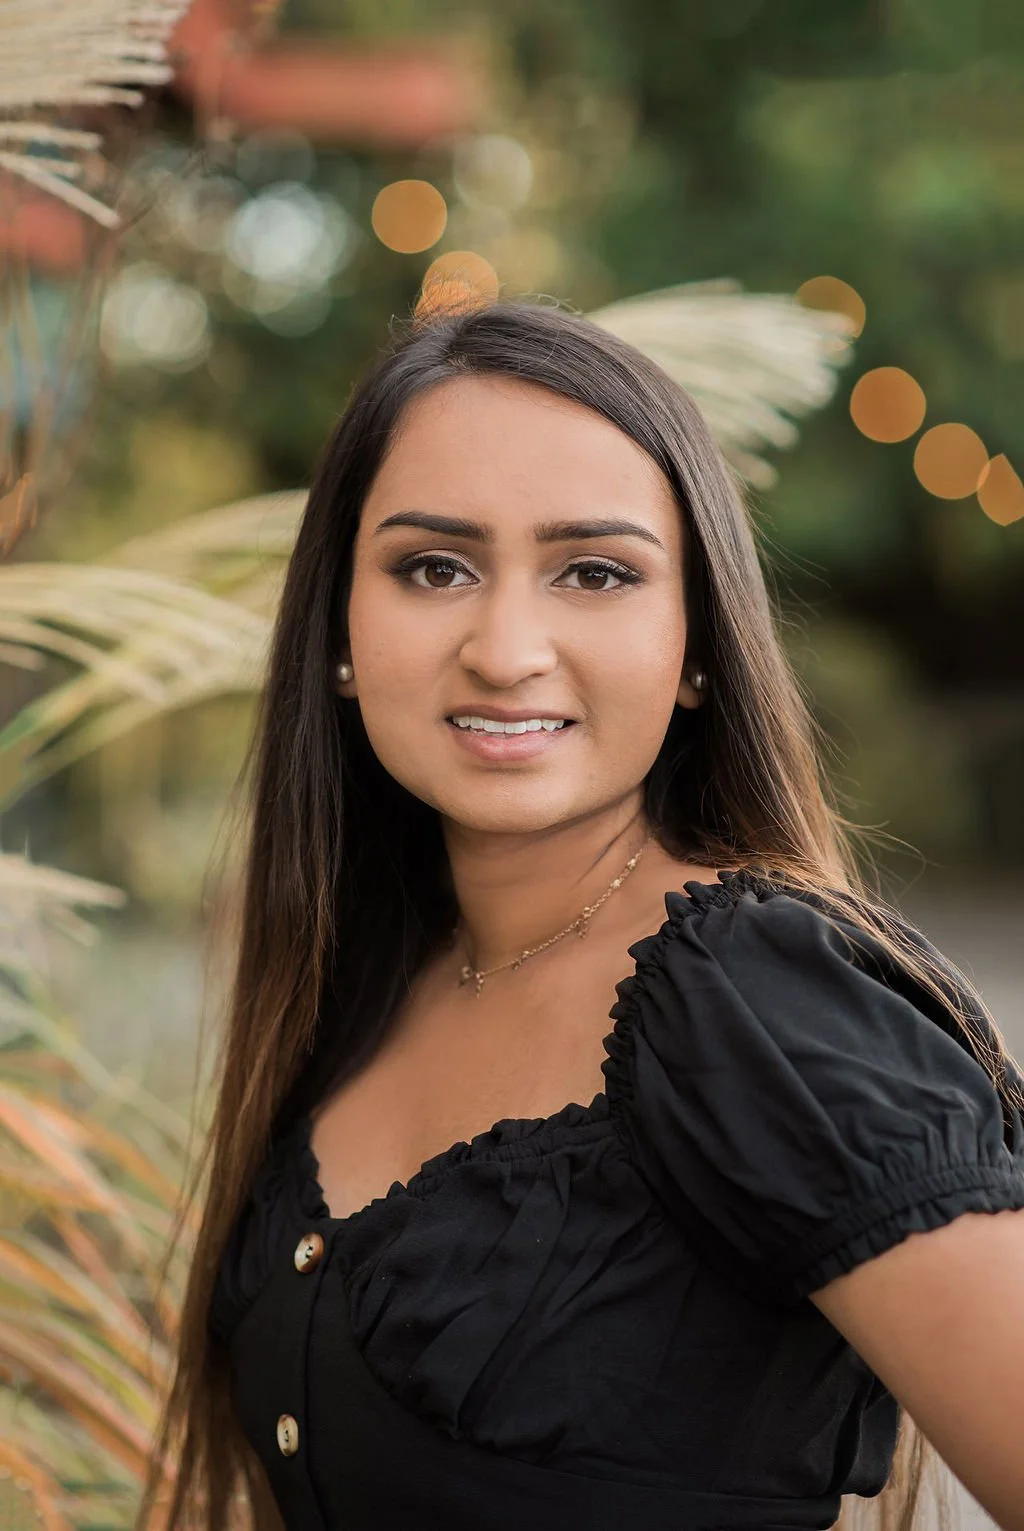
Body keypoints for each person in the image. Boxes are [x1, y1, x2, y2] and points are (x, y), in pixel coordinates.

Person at [142, 300, 1024, 1531]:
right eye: (432, 567)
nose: (506, 649)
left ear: (697, 647)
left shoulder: (761, 995)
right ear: (340, 632)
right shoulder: (370, 966)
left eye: (596, 572)